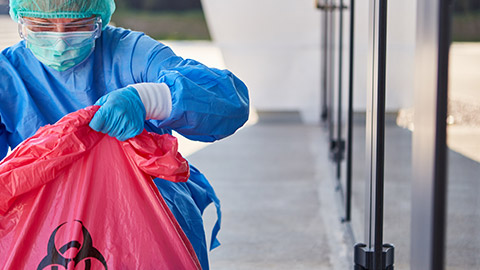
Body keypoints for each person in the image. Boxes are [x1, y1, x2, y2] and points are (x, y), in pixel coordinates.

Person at [0, 0, 249, 269]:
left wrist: (149, 98)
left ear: (99, 20)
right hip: (45, 211)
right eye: (42, 26)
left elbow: (227, 101)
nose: (60, 42)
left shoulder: (130, 54)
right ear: (21, 21)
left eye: (78, 26)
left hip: (146, 208)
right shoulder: (8, 75)